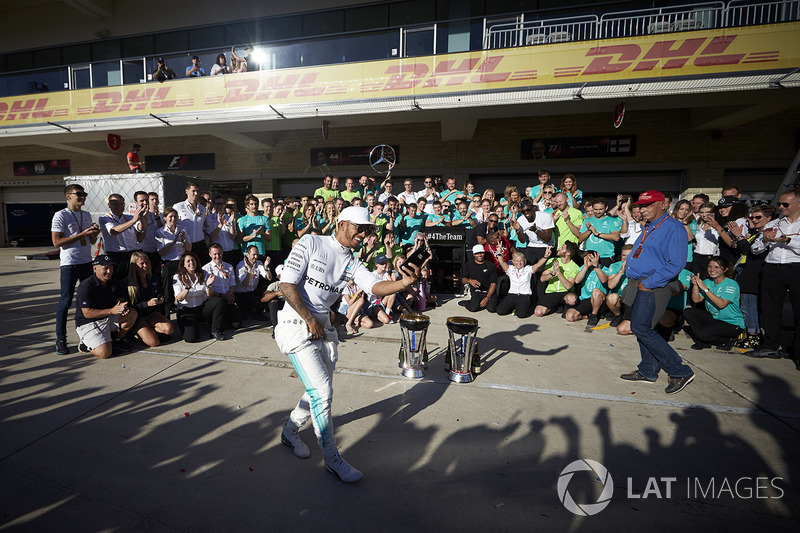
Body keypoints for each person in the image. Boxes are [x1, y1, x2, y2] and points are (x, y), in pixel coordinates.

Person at [275, 206, 420, 483]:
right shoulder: (312, 242)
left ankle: (289, 431)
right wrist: (309, 318)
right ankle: (331, 459)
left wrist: (402, 284)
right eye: (359, 227)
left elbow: (374, 285)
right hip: (295, 324)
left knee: (317, 390)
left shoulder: (352, 261)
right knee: (322, 391)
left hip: (324, 329)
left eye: (367, 229)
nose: (363, 233)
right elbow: (286, 284)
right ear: (342, 224)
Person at [619, 190, 694, 395]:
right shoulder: (650, 226)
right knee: (644, 327)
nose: (642, 209)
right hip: (641, 282)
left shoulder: (674, 228)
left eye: (648, 205)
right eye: (640, 206)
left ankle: (679, 370)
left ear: (663, 205)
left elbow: (676, 264)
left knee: (641, 327)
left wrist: (649, 283)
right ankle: (648, 370)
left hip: (655, 284)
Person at [748, 188, 800, 361]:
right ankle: (770, 346)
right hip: (772, 268)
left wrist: (787, 240)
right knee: (770, 310)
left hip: (796, 268)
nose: (781, 207)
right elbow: (754, 249)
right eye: (779, 204)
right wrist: (764, 240)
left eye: (785, 204)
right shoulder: (774, 224)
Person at [52, 184, 101, 355]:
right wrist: (84, 234)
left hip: (86, 262)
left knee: (88, 301)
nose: (82, 197)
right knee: (65, 302)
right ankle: (61, 339)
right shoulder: (61, 215)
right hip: (69, 264)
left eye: (84, 194)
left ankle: (88, 338)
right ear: (68, 196)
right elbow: (57, 242)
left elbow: (91, 242)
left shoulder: (86, 215)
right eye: (78, 194)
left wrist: (93, 234)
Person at [728, 204, 774, 348]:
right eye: (751, 217)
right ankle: (749, 334)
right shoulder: (756, 233)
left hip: (754, 275)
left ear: (768, 218)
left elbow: (753, 252)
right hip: (746, 273)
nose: (754, 220)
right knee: (746, 306)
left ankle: (754, 336)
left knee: (749, 307)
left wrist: (740, 236)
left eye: (758, 217)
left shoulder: (768, 233)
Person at [74, 255, 138, 358]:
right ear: (95, 268)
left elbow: (120, 299)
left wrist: (122, 306)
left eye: (111, 268)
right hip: (88, 322)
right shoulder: (86, 287)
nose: (109, 271)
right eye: (105, 268)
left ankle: (117, 340)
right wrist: (112, 311)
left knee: (132, 313)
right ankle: (85, 344)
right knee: (105, 353)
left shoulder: (113, 281)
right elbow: (87, 313)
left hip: (107, 317)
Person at [684, 256, 745, 350]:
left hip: (732, 323)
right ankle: (704, 339)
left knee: (701, 334)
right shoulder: (708, 282)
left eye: (716, 267)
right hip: (715, 319)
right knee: (688, 312)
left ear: (725, 269)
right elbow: (696, 300)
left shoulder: (731, 284)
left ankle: (728, 339)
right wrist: (695, 285)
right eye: (710, 266)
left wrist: (705, 289)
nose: (712, 269)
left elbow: (722, 304)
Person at [173, 251, 226, 342]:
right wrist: (187, 287)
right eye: (188, 261)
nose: (191, 263)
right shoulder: (177, 277)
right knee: (191, 338)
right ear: (184, 265)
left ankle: (215, 330)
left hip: (201, 307)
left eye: (193, 260)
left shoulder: (203, 274)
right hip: (187, 310)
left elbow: (210, 295)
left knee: (219, 301)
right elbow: (179, 298)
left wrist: (209, 286)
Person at [125, 252, 174, 346]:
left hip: (151, 313)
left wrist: (160, 299)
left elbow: (160, 292)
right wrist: (147, 304)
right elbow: (131, 306)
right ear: (135, 266)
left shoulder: (153, 278)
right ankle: (137, 331)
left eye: (147, 262)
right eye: (142, 263)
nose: (145, 265)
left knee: (169, 329)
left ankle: (150, 329)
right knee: (154, 342)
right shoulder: (129, 284)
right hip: (138, 317)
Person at [100, 193, 147, 279]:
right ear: (109, 205)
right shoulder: (105, 218)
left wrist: (142, 217)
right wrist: (133, 220)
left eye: (121, 204)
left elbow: (141, 228)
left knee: (135, 281)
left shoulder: (128, 217)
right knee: (119, 283)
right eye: (115, 204)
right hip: (116, 256)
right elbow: (113, 231)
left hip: (132, 254)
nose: (119, 206)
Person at [202, 243, 243, 338]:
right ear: (210, 254)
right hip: (215, 300)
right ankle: (215, 330)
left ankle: (223, 319)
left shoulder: (229, 266)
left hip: (227, 297)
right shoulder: (205, 269)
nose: (217, 256)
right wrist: (223, 296)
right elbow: (207, 292)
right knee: (219, 302)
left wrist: (230, 295)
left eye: (219, 253)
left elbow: (233, 284)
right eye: (215, 254)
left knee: (237, 324)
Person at [156, 207, 190, 313]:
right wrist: (173, 242)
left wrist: (183, 239)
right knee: (167, 290)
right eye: (170, 216)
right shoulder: (160, 232)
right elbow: (161, 252)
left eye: (175, 216)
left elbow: (189, 248)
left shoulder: (182, 229)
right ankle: (167, 313)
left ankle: (185, 310)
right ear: (165, 218)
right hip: (168, 262)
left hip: (181, 261)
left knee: (185, 285)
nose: (173, 219)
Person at [533, 242, 580, 317]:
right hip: (552, 292)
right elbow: (542, 278)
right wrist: (552, 273)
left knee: (572, 299)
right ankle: (555, 307)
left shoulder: (574, 267)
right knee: (538, 313)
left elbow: (568, 286)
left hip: (565, 292)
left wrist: (558, 272)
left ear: (568, 253)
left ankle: (566, 307)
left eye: (562, 248)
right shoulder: (553, 260)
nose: (559, 249)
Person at [564, 250, 608, 327]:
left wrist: (596, 266)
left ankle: (594, 315)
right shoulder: (583, 268)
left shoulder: (605, 269)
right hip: (586, 299)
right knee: (570, 316)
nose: (588, 260)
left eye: (590, 258)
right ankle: (587, 316)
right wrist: (585, 266)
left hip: (600, 300)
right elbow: (577, 281)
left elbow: (604, 280)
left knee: (596, 292)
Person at [578, 198, 621, 267]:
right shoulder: (587, 221)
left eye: (600, 209)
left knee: (606, 277)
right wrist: (589, 230)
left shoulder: (612, 220)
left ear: (606, 208)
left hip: (606, 256)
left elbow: (616, 237)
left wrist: (597, 234)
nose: (598, 212)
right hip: (590, 256)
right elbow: (580, 238)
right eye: (595, 209)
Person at [173, 180, 208, 261]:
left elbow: (204, 226)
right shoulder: (178, 207)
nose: (196, 194)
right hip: (186, 244)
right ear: (187, 191)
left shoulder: (202, 208)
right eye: (193, 191)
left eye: (197, 191)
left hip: (200, 244)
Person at [235, 245, 271, 321]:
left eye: (257, 254)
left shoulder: (258, 263)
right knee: (257, 301)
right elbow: (245, 284)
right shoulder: (240, 266)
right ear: (247, 255)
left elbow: (269, 278)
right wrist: (249, 270)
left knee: (267, 291)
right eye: (253, 254)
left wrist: (266, 267)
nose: (256, 257)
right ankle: (253, 313)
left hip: (253, 291)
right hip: (242, 293)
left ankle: (256, 313)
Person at [495, 251, 536, 318]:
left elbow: (538, 265)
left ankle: (527, 307)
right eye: (517, 261)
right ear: (513, 262)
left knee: (520, 315)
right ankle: (515, 307)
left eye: (521, 261)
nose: (519, 263)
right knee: (500, 311)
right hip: (512, 295)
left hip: (524, 296)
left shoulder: (528, 269)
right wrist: (499, 253)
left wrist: (545, 257)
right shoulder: (510, 269)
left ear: (524, 261)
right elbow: (502, 262)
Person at [461, 244, 498, 313]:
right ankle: (468, 303)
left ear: (484, 253)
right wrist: (469, 281)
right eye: (477, 253)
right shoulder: (469, 264)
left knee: (492, 309)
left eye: (481, 253)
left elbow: (493, 283)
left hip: (489, 291)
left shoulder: (491, 265)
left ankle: (486, 302)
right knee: (473, 308)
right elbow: (463, 279)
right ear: (473, 254)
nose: (480, 255)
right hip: (476, 291)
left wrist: (488, 297)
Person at [516, 200, 554, 266]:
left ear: (533, 208)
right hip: (532, 244)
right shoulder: (521, 219)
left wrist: (536, 231)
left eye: (528, 210)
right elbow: (522, 241)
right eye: (523, 211)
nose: (526, 213)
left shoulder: (545, 216)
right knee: (526, 267)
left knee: (541, 269)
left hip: (546, 245)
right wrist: (518, 231)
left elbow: (548, 238)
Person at [205, 194, 239, 266]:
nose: (220, 206)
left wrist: (232, 223)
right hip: (218, 254)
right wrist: (220, 225)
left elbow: (232, 237)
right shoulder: (209, 218)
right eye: (217, 204)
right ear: (214, 205)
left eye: (221, 204)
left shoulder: (229, 218)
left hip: (230, 252)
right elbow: (212, 238)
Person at [237, 194, 272, 259]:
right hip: (247, 253)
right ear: (247, 206)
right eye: (252, 204)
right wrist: (253, 235)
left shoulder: (264, 219)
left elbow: (269, 238)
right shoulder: (242, 220)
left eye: (256, 204)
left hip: (260, 253)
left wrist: (261, 233)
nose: (254, 206)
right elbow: (240, 239)